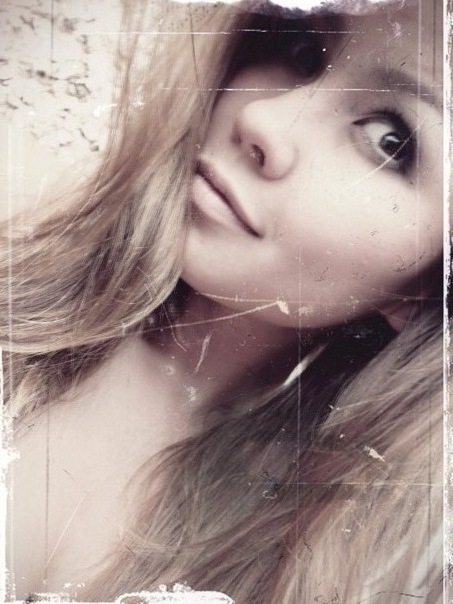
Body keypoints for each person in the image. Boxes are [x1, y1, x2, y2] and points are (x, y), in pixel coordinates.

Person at [1, 0, 446, 601]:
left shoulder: (308, 561)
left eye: (390, 140)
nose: (263, 118)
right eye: (303, 53)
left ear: (426, 287)